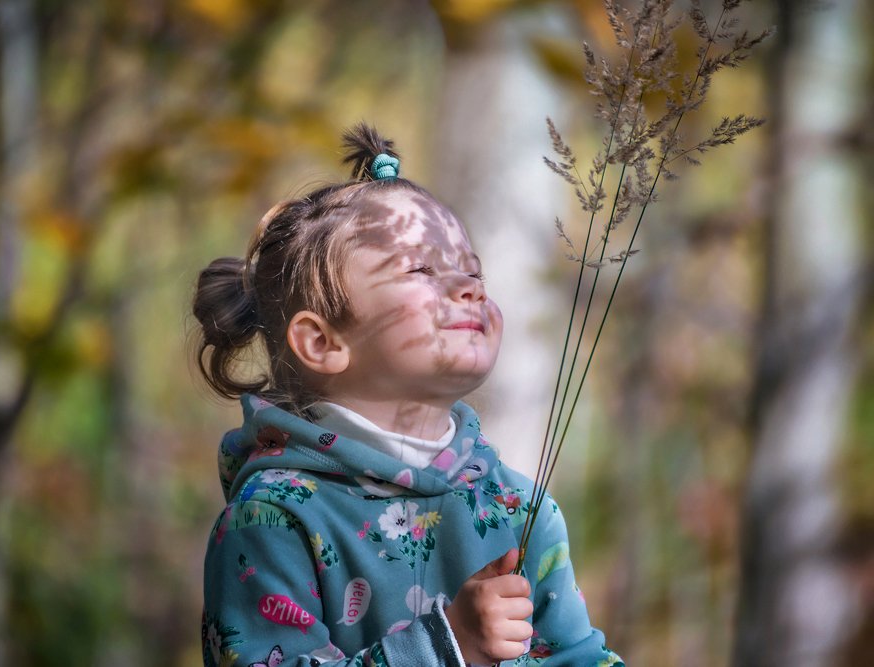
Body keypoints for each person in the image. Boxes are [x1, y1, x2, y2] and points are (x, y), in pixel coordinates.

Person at [192, 123, 622, 667]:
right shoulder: (273, 520)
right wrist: (448, 646)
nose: (471, 287)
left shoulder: (518, 508)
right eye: (421, 269)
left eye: (472, 270)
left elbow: (577, 657)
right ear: (322, 342)